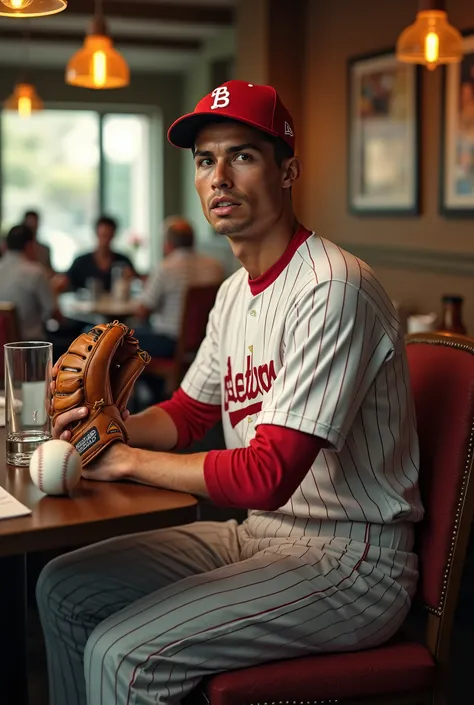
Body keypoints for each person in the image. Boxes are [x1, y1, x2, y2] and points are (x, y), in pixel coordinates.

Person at [37, 80, 424, 705]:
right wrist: (101, 426)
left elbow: (269, 474)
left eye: (242, 155)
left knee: (123, 652)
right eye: (205, 160)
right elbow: (189, 415)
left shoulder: (332, 287)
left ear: (288, 169)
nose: (219, 177)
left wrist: (123, 459)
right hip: (262, 536)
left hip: (351, 565)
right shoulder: (232, 291)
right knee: (63, 584)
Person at [135, 215, 224, 358]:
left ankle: (150, 379)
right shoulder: (215, 266)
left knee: (120, 338)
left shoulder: (165, 268)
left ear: (168, 243)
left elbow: (142, 311)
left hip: (170, 341)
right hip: (206, 338)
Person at [52, 215, 136, 294]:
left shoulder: (123, 261)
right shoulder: (81, 262)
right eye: (103, 235)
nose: (105, 240)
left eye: (108, 236)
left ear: (114, 236)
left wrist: (129, 279)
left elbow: (136, 283)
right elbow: (66, 280)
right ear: (96, 234)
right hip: (86, 308)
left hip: (116, 307)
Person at [0, 224, 55, 340]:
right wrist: (55, 291)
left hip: (2, 347)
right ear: (30, 245)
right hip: (31, 348)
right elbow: (52, 313)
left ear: (5, 245)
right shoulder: (35, 271)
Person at [23, 209, 54, 277]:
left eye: (34, 226)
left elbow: (50, 272)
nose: (32, 230)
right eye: (29, 226)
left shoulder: (44, 250)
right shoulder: (16, 251)